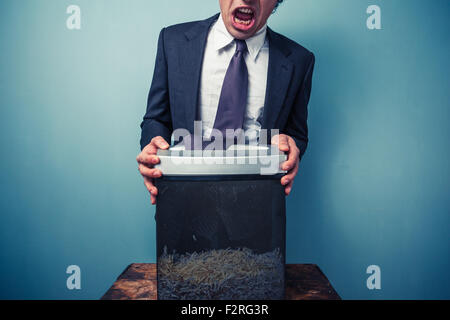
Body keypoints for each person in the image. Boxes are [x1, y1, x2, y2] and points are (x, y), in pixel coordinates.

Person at [137, 0, 315, 204]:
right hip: (180, 200)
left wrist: (290, 148)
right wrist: (153, 148)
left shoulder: (298, 61)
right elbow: (156, 119)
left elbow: (296, 134)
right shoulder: (173, 42)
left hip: (258, 207)